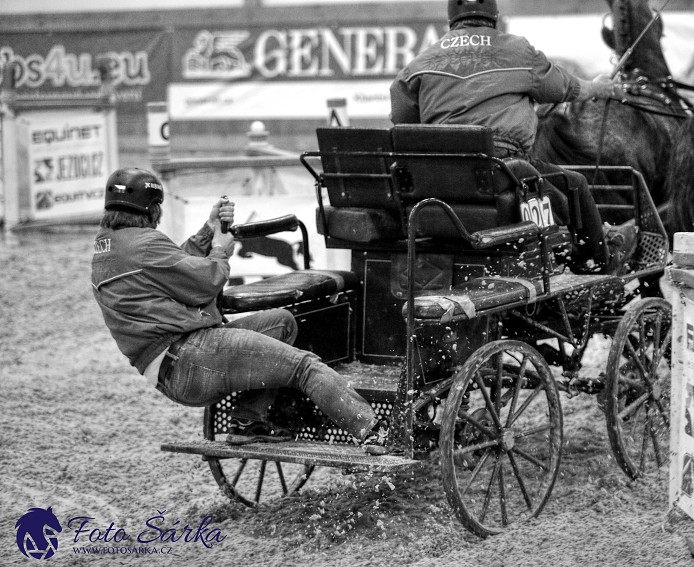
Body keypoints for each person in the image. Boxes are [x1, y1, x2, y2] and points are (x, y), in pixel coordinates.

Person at [90, 168, 388, 453]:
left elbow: (172, 264)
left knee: (282, 323)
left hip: (171, 365)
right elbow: (207, 282)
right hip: (188, 356)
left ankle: (248, 419)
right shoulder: (145, 244)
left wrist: (208, 230)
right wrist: (220, 248)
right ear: (153, 209)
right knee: (305, 366)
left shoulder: (110, 248)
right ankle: (374, 432)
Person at [390, 0, 637, 274]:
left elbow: (403, 124)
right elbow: (562, 86)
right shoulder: (517, 50)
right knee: (576, 184)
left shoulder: (420, 63)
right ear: (494, 17)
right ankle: (597, 262)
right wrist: (596, 88)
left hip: (438, 180)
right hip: (502, 169)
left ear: (451, 20)